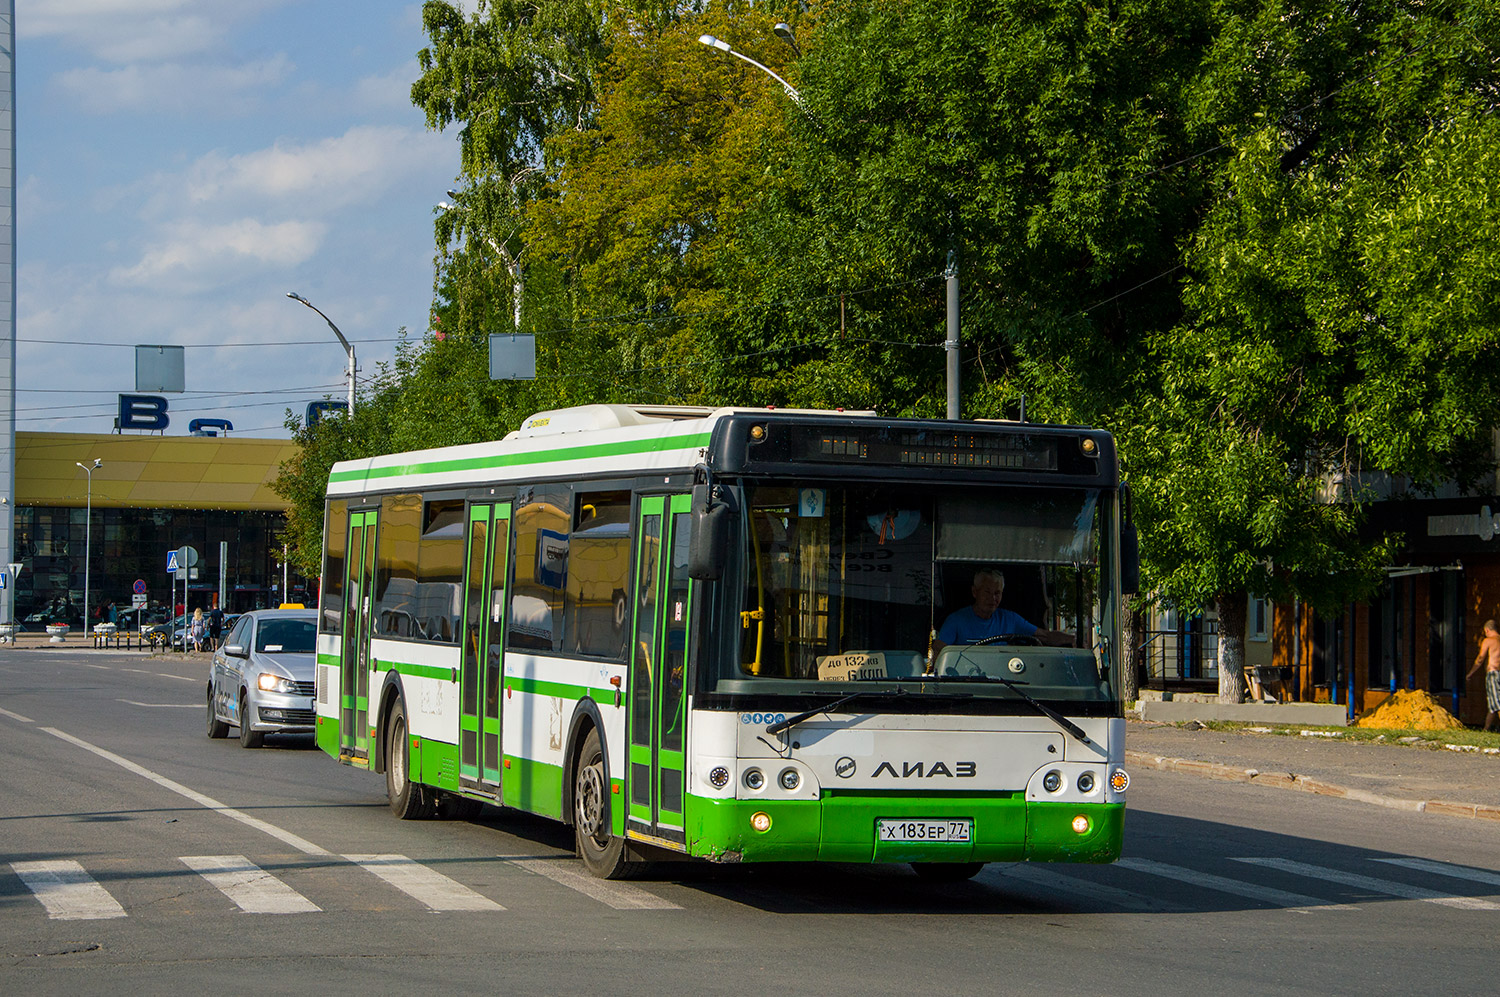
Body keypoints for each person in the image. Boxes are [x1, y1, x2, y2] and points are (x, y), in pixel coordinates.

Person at [933, 568, 1072, 653]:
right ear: (975, 592)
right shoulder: (956, 620)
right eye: (987, 592)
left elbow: (1045, 636)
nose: (992, 598)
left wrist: (1073, 640)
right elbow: (940, 650)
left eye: (997, 593)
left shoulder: (1010, 619)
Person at [1466, 619, 1500, 732]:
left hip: (1493, 673)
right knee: (1492, 704)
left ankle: (1487, 729)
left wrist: (1470, 673)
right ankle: (1486, 729)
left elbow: (1480, 659)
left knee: (1496, 703)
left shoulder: (1488, 640)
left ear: (1487, 630)